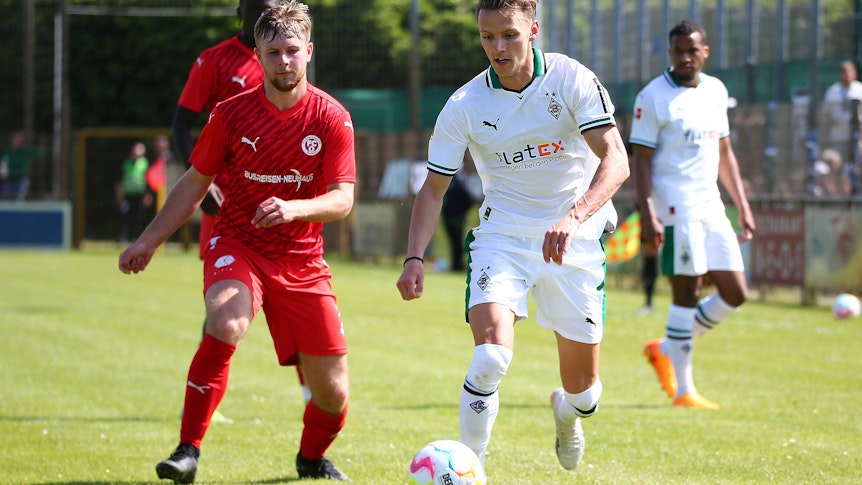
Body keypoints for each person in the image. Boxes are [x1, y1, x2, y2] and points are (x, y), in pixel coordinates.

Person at [119, 2, 355, 482]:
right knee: (225, 322)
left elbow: (343, 199)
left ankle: (310, 459)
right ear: (260, 55)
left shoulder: (332, 117)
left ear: (308, 51)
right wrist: (149, 240)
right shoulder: (231, 113)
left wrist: (294, 208)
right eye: (273, 52)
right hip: (238, 242)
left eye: (293, 51)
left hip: (302, 259)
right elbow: (192, 184)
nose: (284, 61)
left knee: (333, 394)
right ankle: (188, 451)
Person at [396, 0, 629, 473]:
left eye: (509, 34)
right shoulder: (464, 105)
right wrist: (414, 257)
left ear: (533, 30)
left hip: (575, 242)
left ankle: (566, 412)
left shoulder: (569, 79)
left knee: (586, 396)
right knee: (489, 357)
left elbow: (616, 161)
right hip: (502, 239)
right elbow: (433, 187)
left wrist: (575, 215)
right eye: (487, 36)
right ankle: (470, 470)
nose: (497, 47)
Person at [173, 0, 311, 403]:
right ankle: (206, 395)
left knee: (297, 306)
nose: (264, 12)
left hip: (282, 207)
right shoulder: (214, 61)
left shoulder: (286, 55)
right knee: (223, 306)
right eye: (257, 6)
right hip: (227, 207)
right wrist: (202, 183)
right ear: (243, 10)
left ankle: (309, 392)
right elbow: (181, 123)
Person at [630, 20, 756, 410]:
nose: (685, 58)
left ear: (705, 52)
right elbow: (641, 160)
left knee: (736, 293)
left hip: (712, 208)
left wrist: (742, 203)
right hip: (674, 209)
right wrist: (647, 211)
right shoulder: (652, 97)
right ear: (670, 54)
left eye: (691, 50)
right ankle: (684, 391)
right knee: (686, 294)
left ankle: (667, 346)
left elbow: (725, 152)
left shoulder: (716, 90)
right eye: (677, 51)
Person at [822, 60, 862, 158]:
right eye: (844, 72)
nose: (847, 75)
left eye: (849, 72)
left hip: (858, 137)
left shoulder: (860, 90)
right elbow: (824, 115)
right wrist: (835, 121)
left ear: (855, 74)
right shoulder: (832, 91)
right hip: (838, 137)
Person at [441, 169, 479, 272]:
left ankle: (457, 265)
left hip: (455, 215)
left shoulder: (457, 180)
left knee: (456, 241)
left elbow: (466, 198)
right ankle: (456, 264)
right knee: (454, 240)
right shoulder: (455, 180)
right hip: (450, 214)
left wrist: (462, 212)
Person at [115, 141, 153, 242]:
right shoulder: (125, 162)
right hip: (127, 195)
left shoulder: (145, 163)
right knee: (125, 216)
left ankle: (136, 238)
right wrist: (119, 195)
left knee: (138, 218)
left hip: (140, 195)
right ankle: (122, 238)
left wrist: (148, 195)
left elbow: (149, 180)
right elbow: (119, 180)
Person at [1, 130, 42, 201]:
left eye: (20, 141)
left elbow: (39, 152)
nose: (18, 143)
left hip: (21, 180)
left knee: (20, 200)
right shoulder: (7, 152)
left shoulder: (25, 152)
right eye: (17, 140)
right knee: (6, 199)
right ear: (13, 140)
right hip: (9, 180)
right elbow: (3, 164)